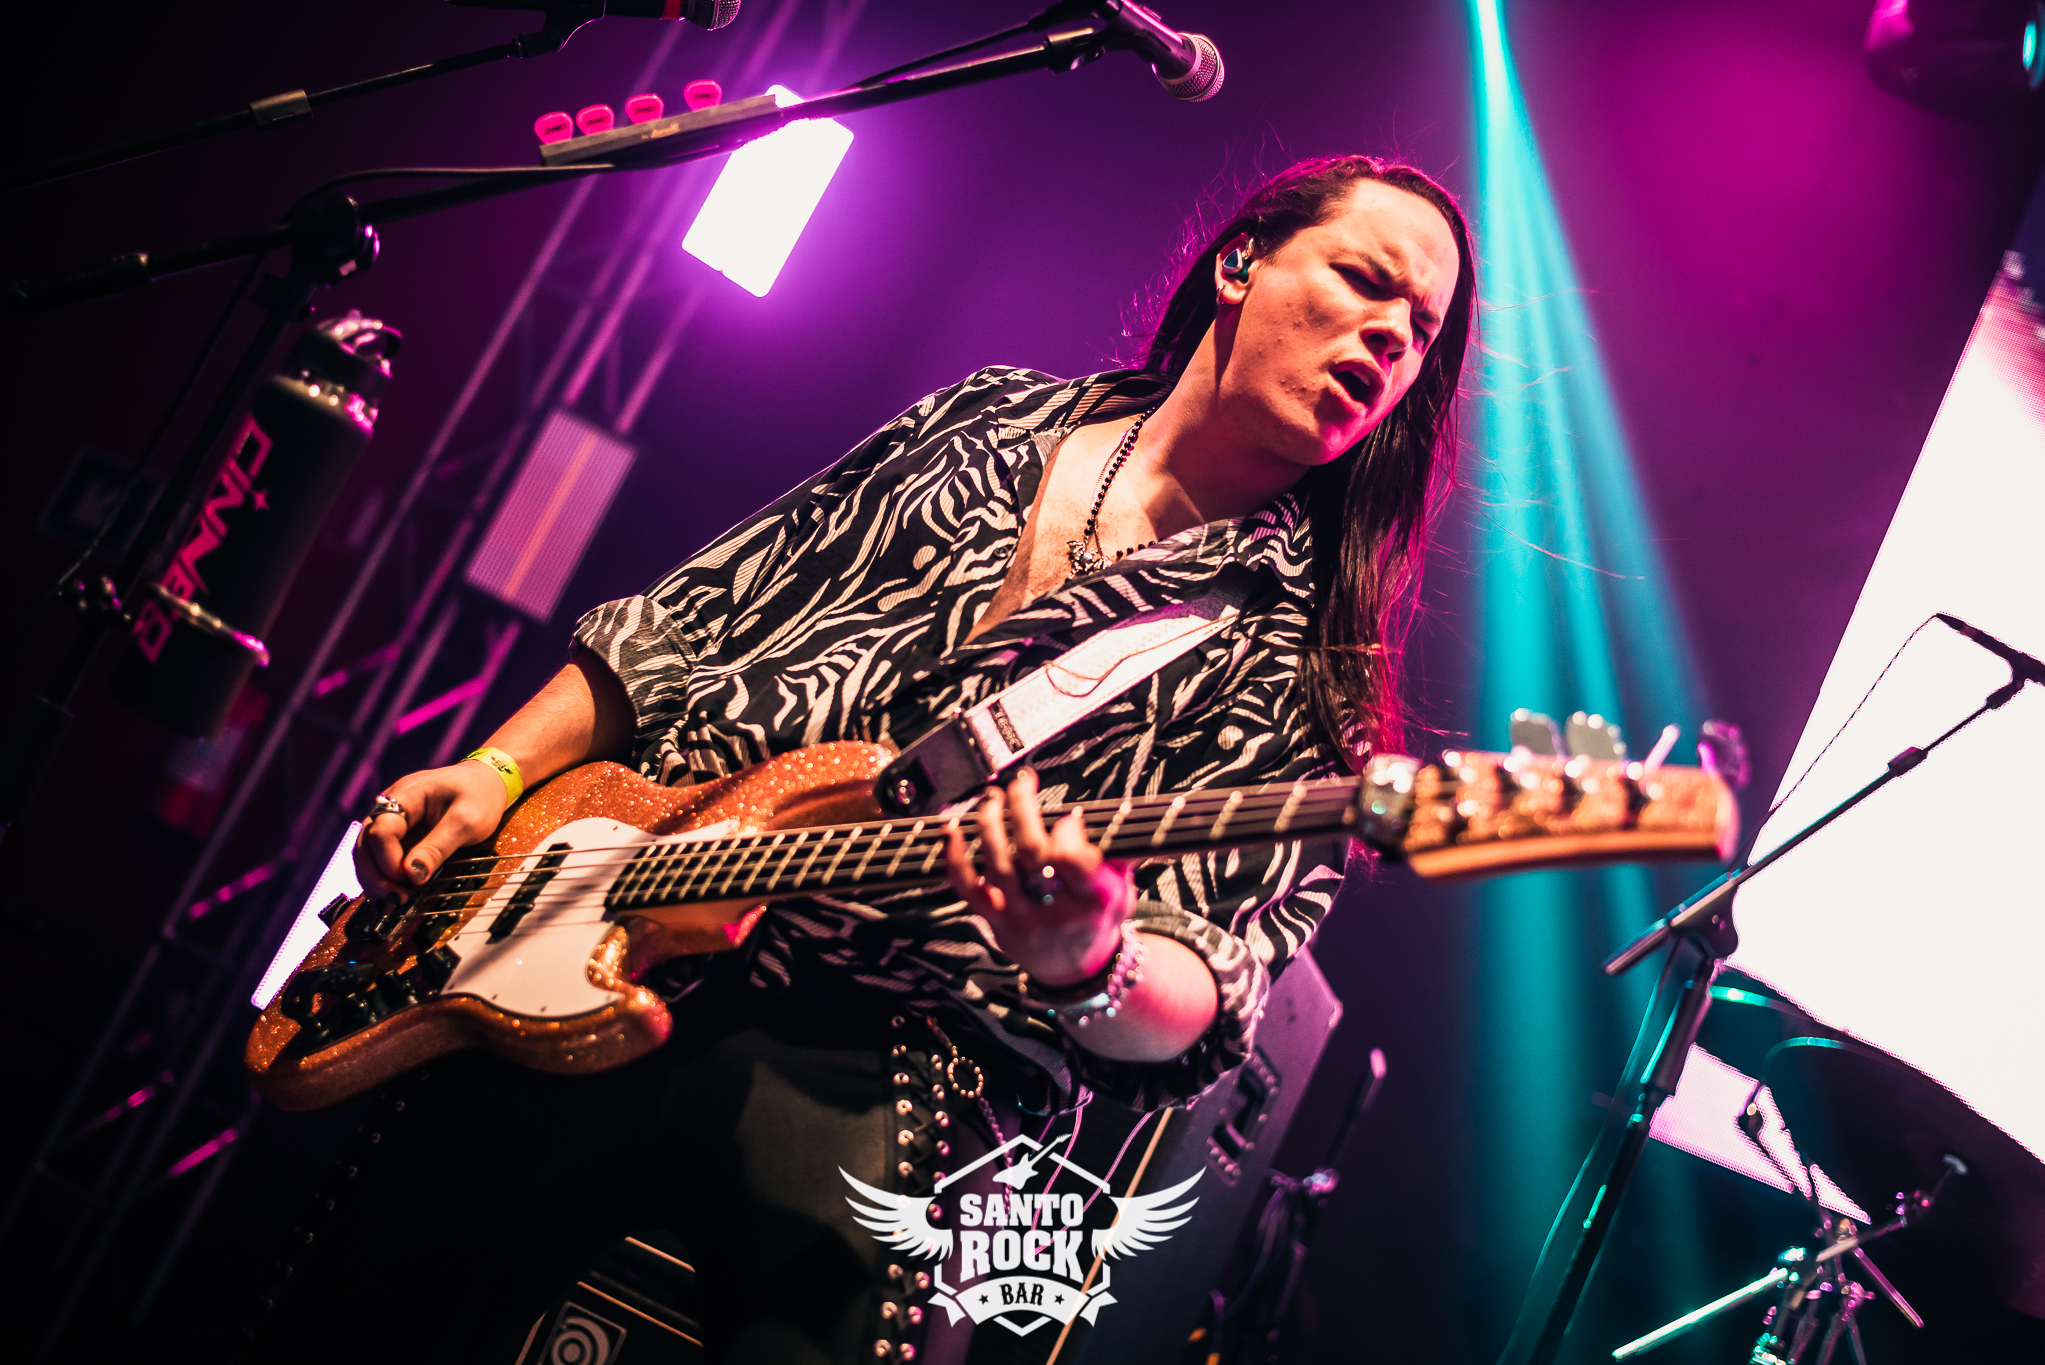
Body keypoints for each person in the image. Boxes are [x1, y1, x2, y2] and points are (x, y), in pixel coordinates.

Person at [248, 153, 1474, 1364]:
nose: (1388, 338)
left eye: (1419, 331)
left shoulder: (1302, 665)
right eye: (1365, 281)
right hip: (599, 906)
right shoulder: (989, 416)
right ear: (1240, 262)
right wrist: (501, 770)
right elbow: (687, 624)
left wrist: (1092, 961)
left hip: (895, 1052)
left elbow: (1214, 986)